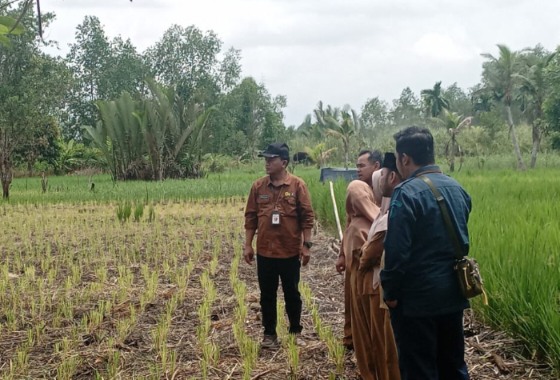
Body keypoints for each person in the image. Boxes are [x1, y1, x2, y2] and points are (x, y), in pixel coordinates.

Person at [381, 127, 472, 380]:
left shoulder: (406, 193)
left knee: (419, 369)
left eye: (398, 159)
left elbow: (396, 251)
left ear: (404, 159)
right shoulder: (457, 188)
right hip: (453, 292)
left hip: (417, 300)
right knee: (453, 364)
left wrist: (391, 293)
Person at [244, 142, 315, 349]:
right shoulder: (258, 187)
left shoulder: (297, 186)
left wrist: (306, 245)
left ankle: (295, 330)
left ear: (283, 162)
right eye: (265, 159)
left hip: (290, 251)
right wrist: (248, 245)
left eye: (271, 159)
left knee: (292, 293)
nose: (267, 163)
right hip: (265, 251)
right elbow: (250, 218)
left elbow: (307, 217)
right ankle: (269, 334)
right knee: (267, 295)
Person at [349, 152, 402, 380]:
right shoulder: (383, 213)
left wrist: (362, 256)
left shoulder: (388, 216)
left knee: (381, 342)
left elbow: (371, 252)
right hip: (378, 286)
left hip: (379, 287)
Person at [336, 149, 382, 350]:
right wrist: (341, 254)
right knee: (352, 297)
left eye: (362, 165)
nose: (358, 170)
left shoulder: (384, 191)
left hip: (375, 255)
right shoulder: (358, 189)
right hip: (355, 254)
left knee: (367, 299)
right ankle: (351, 338)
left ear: (376, 167)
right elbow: (348, 225)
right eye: (357, 166)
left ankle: (367, 339)